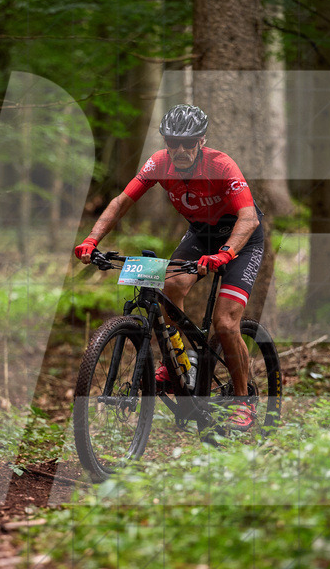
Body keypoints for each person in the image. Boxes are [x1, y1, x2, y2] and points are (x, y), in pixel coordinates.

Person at [74, 104, 264, 430]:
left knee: (225, 322)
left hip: (242, 240)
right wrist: (92, 239)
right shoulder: (159, 163)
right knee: (170, 286)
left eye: (187, 142)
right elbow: (121, 202)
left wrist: (226, 253)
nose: (179, 150)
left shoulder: (220, 165)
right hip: (200, 234)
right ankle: (175, 362)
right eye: (172, 141)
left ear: (201, 141)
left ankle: (243, 399)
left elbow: (248, 218)